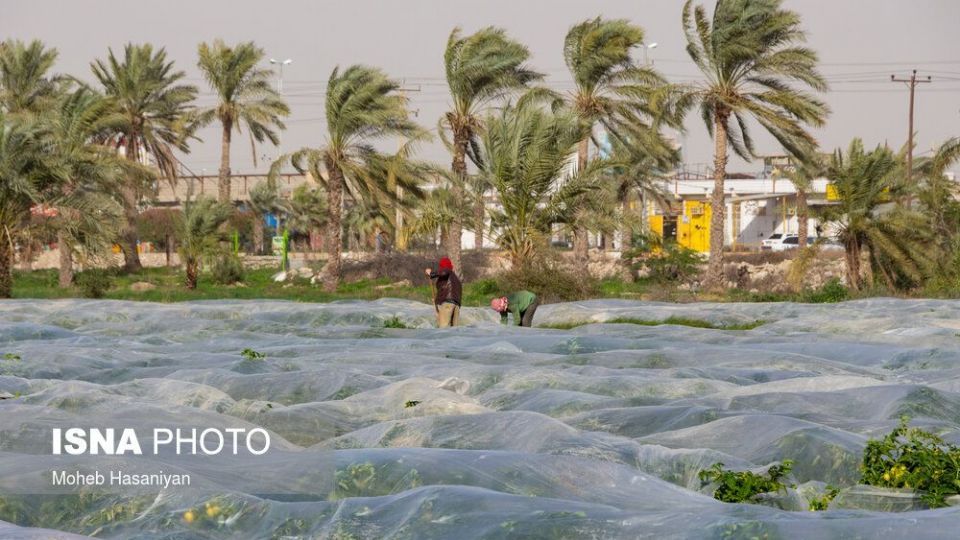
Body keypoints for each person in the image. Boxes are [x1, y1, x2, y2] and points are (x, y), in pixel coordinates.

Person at [425, 257, 462, 327]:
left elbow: (444, 271)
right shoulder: (456, 278)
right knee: (455, 331)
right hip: (456, 306)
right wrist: (436, 302)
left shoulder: (447, 271)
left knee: (443, 329)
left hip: (447, 304)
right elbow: (443, 291)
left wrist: (431, 273)